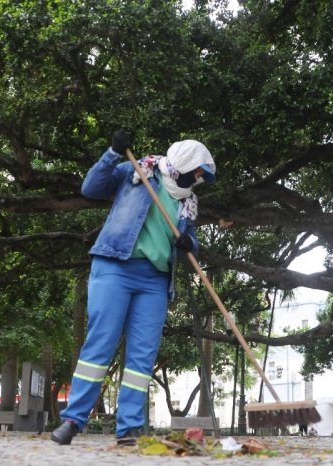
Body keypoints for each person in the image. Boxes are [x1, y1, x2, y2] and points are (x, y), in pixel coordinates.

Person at [51, 131, 216, 446]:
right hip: (115, 266)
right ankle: (73, 420)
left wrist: (187, 243)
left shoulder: (188, 202)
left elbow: (189, 240)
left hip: (154, 280)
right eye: (198, 172)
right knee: (100, 344)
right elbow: (91, 188)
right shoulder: (138, 170)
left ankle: (129, 429)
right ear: (184, 164)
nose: (199, 179)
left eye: (202, 176)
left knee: (142, 357)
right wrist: (112, 153)